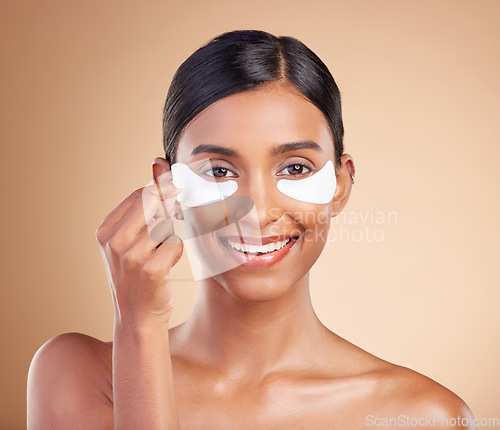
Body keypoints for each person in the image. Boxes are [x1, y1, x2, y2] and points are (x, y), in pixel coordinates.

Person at [27, 29, 476, 429]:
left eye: (296, 167)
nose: (257, 212)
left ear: (341, 184)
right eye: (219, 171)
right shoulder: (80, 375)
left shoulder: (425, 417)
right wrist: (139, 326)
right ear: (167, 186)